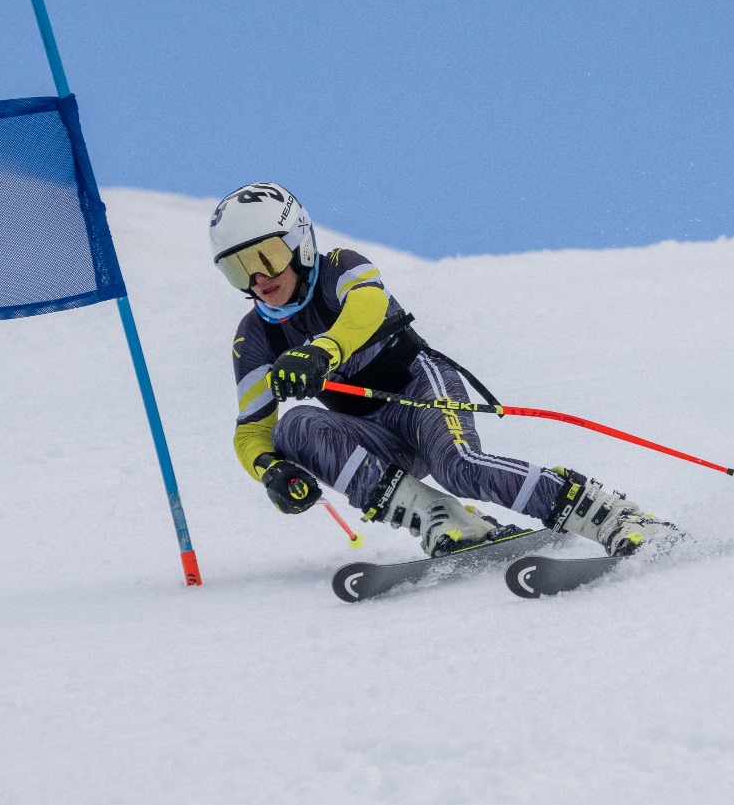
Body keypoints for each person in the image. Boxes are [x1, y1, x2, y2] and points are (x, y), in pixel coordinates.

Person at [212, 182, 677, 557]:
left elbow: (369, 305)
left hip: (420, 390)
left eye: (265, 256)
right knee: (294, 427)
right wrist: (270, 470)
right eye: (237, 270)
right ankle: (443, 516)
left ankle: (611, 516)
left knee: (460, 467)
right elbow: (251, 430)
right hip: (371, 433)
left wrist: (323, 350)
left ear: (299, 244)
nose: (257, 279)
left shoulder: (339, 268)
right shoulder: (255, 337)